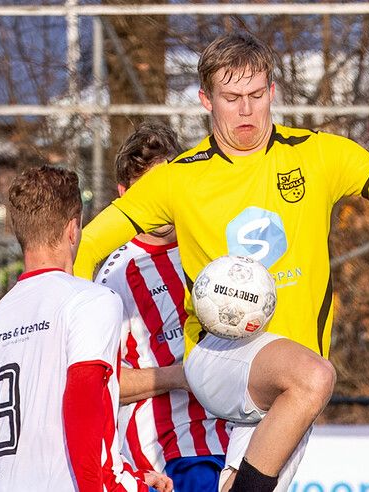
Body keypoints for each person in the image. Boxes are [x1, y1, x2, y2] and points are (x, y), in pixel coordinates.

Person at [75, 31, 369, 492]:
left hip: (288, 387)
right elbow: (90, 243)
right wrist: (67, 323)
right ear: (205, 100)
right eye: (231, 96)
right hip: (219, 361)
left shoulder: (320, 155)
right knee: (316, 375)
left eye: (257, 95)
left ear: (272, 92)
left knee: (287, 413)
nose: (246, 109)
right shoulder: (178, 179)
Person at [0, 165, 172, 492]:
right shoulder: (91, 300)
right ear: (73, 229)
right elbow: (85, 412)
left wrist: (132, 476)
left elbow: (40, 429)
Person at [95, 122, 231, 491]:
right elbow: (100, 382)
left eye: (164, 188)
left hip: (232, 443)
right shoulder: (115, 276)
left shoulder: (210, 246)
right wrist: (182, 376)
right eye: (145, 192)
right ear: (124, 195)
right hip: (167, 455)